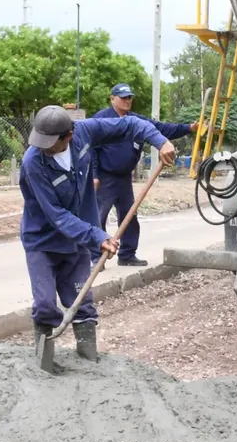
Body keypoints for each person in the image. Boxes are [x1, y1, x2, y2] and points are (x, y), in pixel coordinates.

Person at [20, 104, 177, 363]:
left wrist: (160, 141)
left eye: (49, 143)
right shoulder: (33, 163)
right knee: (45, 305)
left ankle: (88, 362)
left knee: (82, 303)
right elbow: (57, 215)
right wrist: (97, 236)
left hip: (76, 244)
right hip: (42, 242)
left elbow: (130, 125)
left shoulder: (83, 133)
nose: (43, 147)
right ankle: (43, 365)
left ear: (68, 136)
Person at [90, 82, 198, 266]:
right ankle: (95, 258)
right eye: (123, 97)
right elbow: (91, 148)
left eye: (129, 98)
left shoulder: (136, 121)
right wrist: (94, 175)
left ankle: (127, 255)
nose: (127, 101)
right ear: (112, 99)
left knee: (130, 216)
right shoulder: (101, 120)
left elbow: (162, 129)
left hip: (124, 178)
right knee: (98, 217)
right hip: (105, 178)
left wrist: (188, 128)